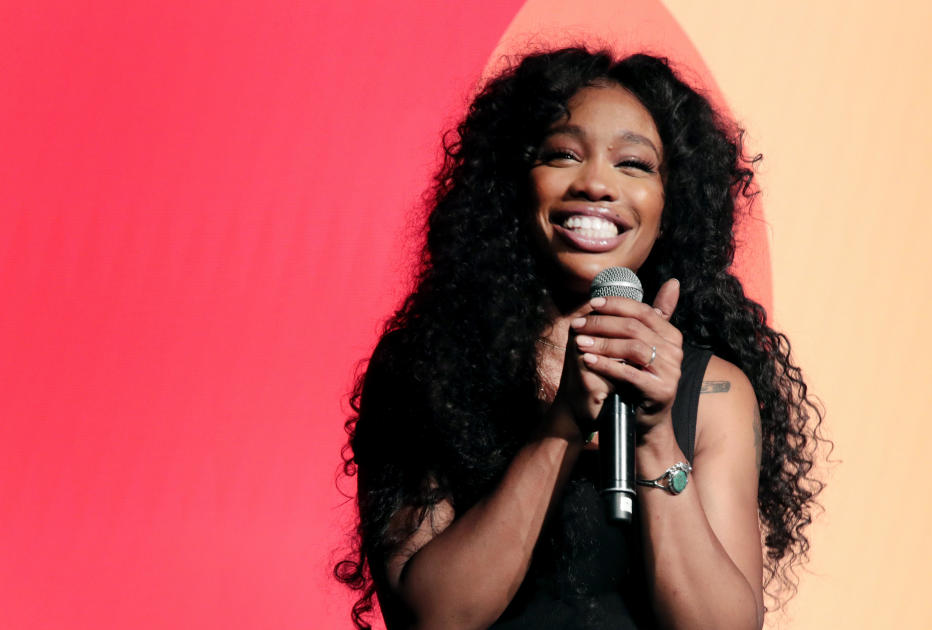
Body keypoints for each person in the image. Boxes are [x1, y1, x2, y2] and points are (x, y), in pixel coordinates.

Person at [335, 47, 823, 630]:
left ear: (673, 205)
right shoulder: (429, 369)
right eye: (563, 154)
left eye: (634, 165)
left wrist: (655, 435)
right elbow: (435, 617)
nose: (595, 183)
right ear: (514, 185)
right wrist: (563, 424)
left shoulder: (716, 392)